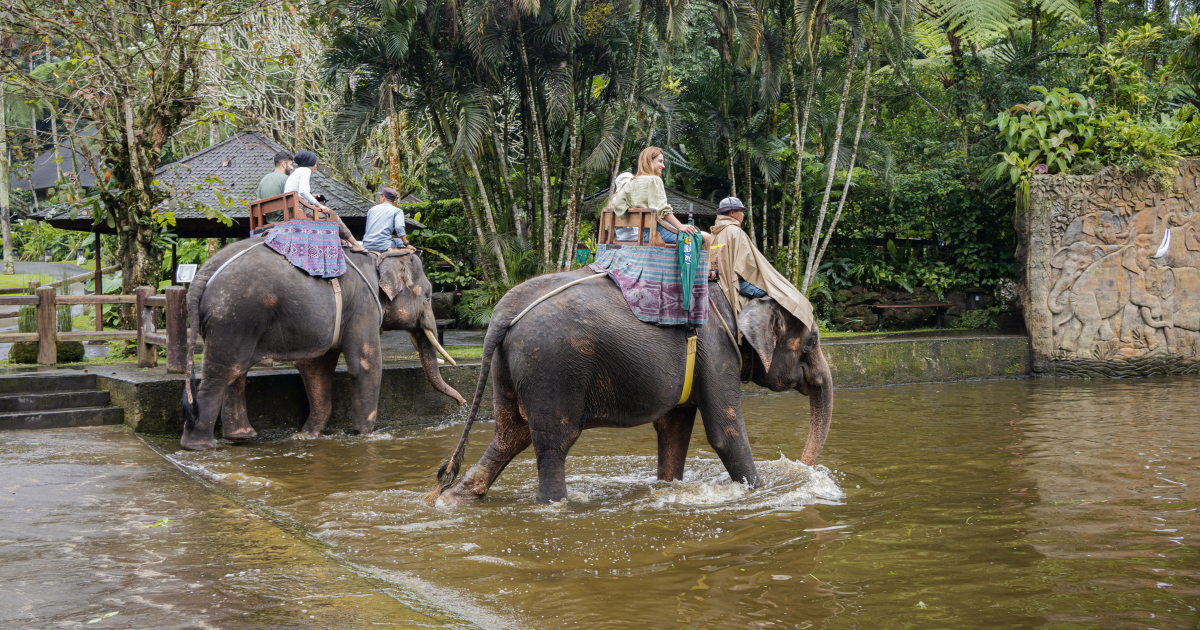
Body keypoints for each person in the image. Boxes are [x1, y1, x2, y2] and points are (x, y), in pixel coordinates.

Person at [709, 195, 815, 333]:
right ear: (732, 213)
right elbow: (748, 265)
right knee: (774, 294)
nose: (743, 215)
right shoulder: (735, 231)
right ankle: (763, 332)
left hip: (720, 280)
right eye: (741, 211)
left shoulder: (714, 234)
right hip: (736, 282)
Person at [609, 147, 711, 247]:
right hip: (654, 233)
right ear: (649, 161)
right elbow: (662, 210)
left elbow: (617, 205)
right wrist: (680, 226)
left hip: (639, 233)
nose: (663, 166)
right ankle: (708, 260)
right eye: (660, 161)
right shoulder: (654, 180)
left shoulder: (631, 182)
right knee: (706, 237)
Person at [284, 150, 331, 216]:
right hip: (299, 207)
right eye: (315, 164)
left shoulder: (296, 171)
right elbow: (303, 191)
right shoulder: (306, 170)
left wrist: (311, 196)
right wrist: (320, 205)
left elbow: (299, 193)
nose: (315, 168)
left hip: (290, 206)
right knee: (329, 216)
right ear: (310, 162)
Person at [363, 187, 410, 251]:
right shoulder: (397, 211)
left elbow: (367, 228)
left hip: (367, 244)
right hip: (384, 244)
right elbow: (399, 227)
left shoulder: (371, 210)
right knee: (400, 242)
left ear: (383, 197)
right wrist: (406, 244)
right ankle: (392, 250)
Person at [257, 151, 293, 224]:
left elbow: (258, 201)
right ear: (283, 164)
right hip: (286, 221)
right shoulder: (287, 179)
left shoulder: (263, 180)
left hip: (269, 222)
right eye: (291, 164)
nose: (292, 168)